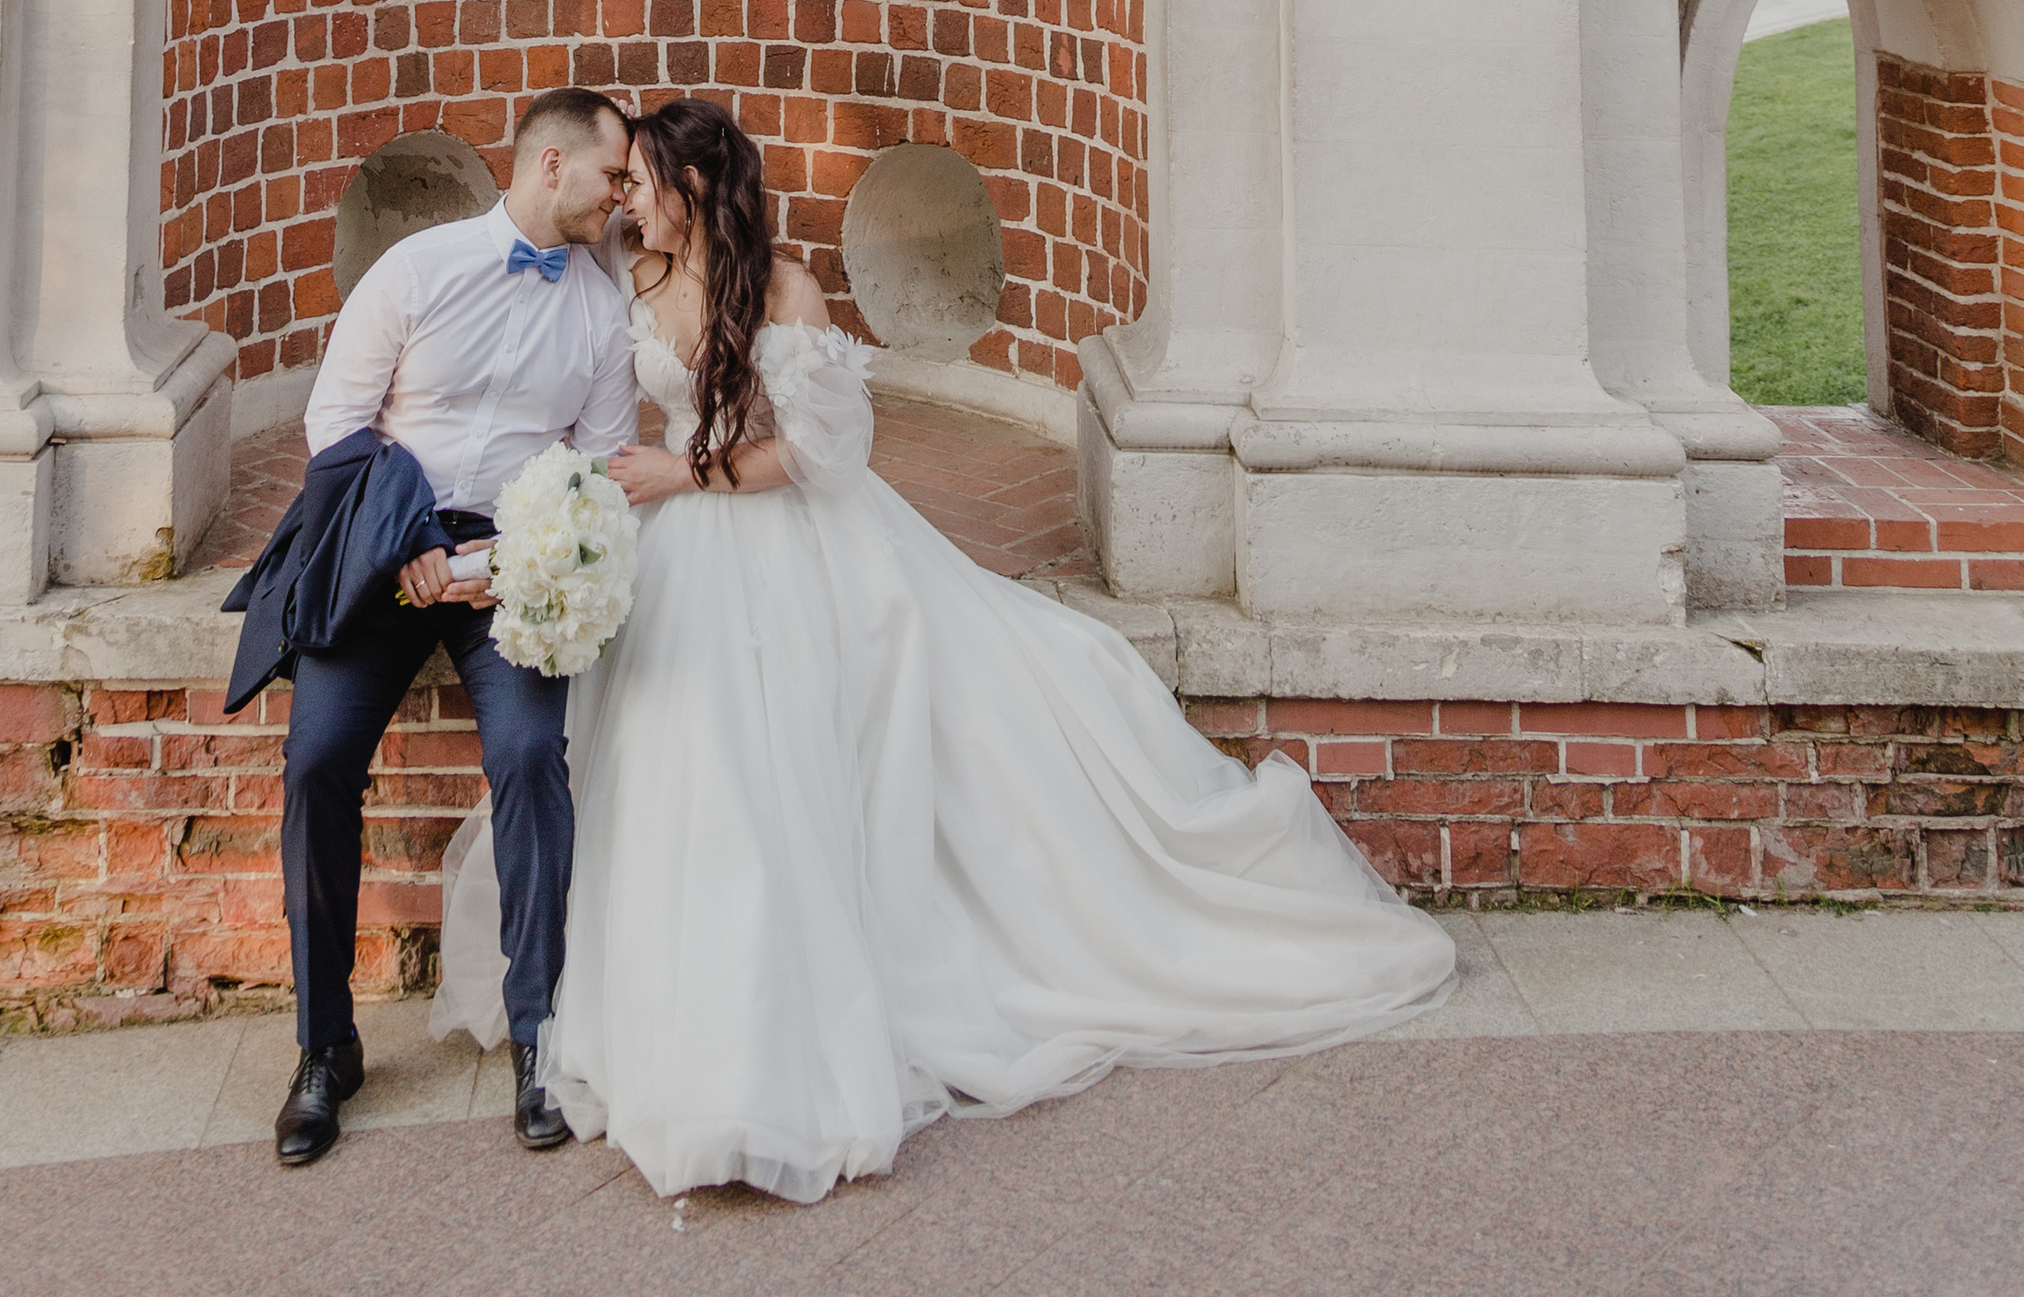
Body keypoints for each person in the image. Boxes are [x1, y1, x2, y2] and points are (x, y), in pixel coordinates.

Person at [436, 97, 1455, 1203]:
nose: (622, 199)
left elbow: (825, 454)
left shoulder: (783, 292)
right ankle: (675, 995)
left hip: (783, 536)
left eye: (638, 181)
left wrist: (682, 475)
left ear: (694, 188)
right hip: (679, 550)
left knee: (790, 753)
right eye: (620, 181)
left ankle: (794, 1015)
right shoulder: (627, 275)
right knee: (672, 757)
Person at [273, 86, 637, 1168]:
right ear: (552, 164)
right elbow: (333, 420)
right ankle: (324, 1048)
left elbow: (601, 467)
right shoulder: (417, 271)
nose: (623, 198)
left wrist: (496, 566)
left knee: (532, 756)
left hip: (509, 570)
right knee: (316, 761)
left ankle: (539, 1036)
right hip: (384, 547)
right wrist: (410, 544)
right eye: (613, 177)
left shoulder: (599, 310)